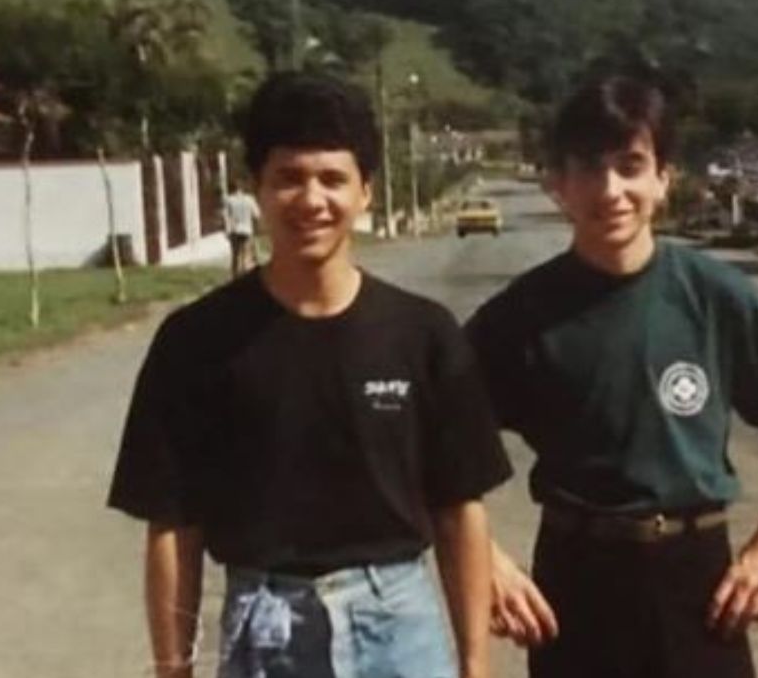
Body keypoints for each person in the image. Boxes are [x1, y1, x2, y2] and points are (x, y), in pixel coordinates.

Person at [108, 72, 512, 678]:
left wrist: (477, 665)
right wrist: (173, 666)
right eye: (289, 178)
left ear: (366, 192)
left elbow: (461, 511)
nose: (311, 200)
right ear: (257, 189)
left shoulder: (423, 334)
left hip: (399, 626)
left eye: (332, 179)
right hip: (264, 627)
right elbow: (172, 525)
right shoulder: (195, 341)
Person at [465, 69, 758, 678]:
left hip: (697, 583)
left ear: (663, 179)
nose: (611, 189)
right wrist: (485, 561)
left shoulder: (712, 294)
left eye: (630, 165)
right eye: (589, 168)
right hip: (575, 584)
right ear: (557, 184)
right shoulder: (519, 317)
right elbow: (425, 444)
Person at [223, 182, 261, 277]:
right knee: (246, 256)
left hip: (234, 230)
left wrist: (227, 230)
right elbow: (257, 214)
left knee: (235, 256)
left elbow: (226, 216)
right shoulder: (249, 199)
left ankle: (235, 276)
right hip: (247, 230)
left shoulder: (229, 200)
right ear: (242, 189)